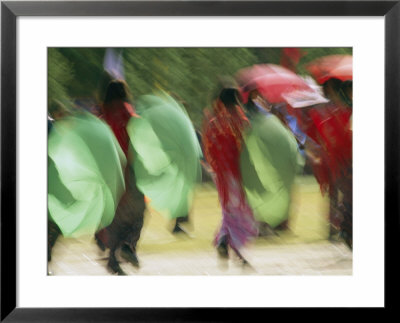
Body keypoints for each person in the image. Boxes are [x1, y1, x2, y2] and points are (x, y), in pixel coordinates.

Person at [203, 80, 258, 265]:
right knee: (243, 214)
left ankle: (227, 245)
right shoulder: (243, 122)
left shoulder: (213, 123)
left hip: (221, 176)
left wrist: (215, 168)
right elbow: (249, 150)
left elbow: (209, 151)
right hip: (238, 175)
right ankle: (228, 243)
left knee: (229, 212)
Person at [95, 80, 146, 275]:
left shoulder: (101, 117)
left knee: (115, 219)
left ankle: (112, 261)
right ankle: (128, 246)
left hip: (107, 174)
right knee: (138, 212)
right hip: (128, 171)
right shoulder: (129, 114)